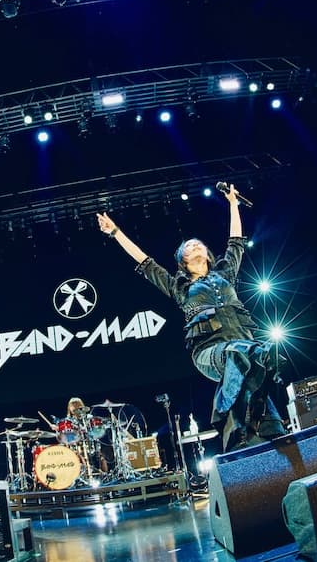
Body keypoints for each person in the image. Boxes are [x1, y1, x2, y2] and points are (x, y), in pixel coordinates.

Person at [96, 183, 286, 451]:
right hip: (209, 352)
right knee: (241, 354)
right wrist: (116, 232)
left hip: (244, 345)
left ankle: (267, 431)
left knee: (252, 362)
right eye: (189, 247)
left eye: (199, 244)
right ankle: (225, 415)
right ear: (183, 260)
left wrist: (233, 204)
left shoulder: (225, 274)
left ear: (207, 253)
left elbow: (235, 242)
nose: (195, 246)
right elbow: (144, 261)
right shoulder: (179, 287)